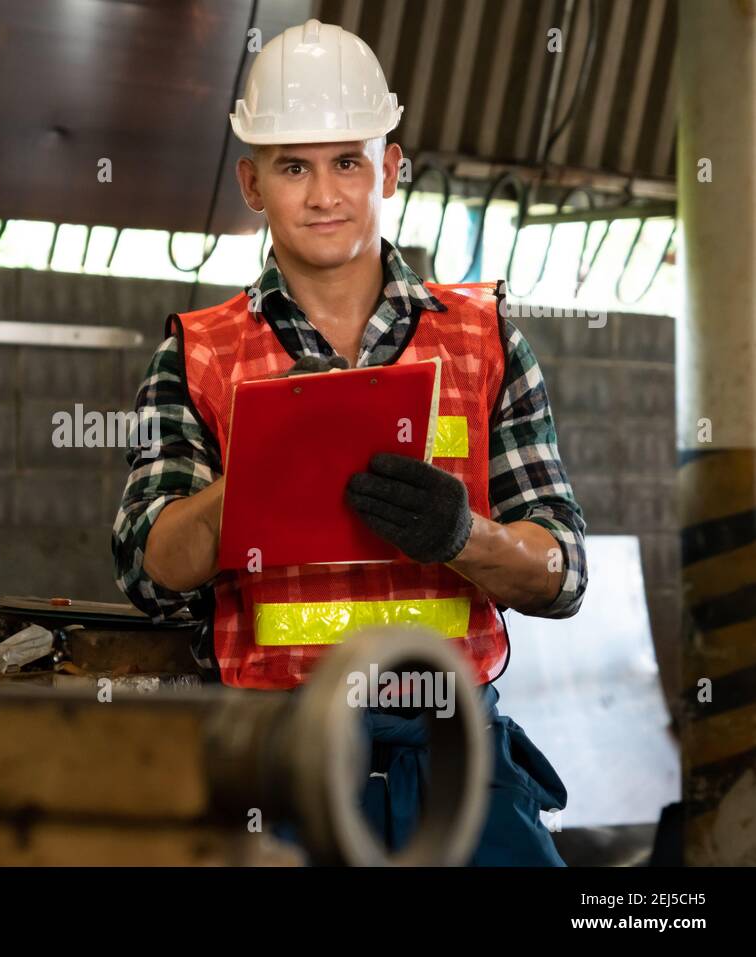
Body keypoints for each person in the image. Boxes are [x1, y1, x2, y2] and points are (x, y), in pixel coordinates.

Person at [111, 19, 587, 865]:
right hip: (277, 768)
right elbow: (153, 568)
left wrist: (463, 536)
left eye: (348, 162)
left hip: (456, 764)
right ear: (253, 184)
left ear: (391, 170)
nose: (325, 194)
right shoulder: (199, 352)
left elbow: (563, 574)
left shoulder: (484, 341)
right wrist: (257, 469)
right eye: (294, 165)